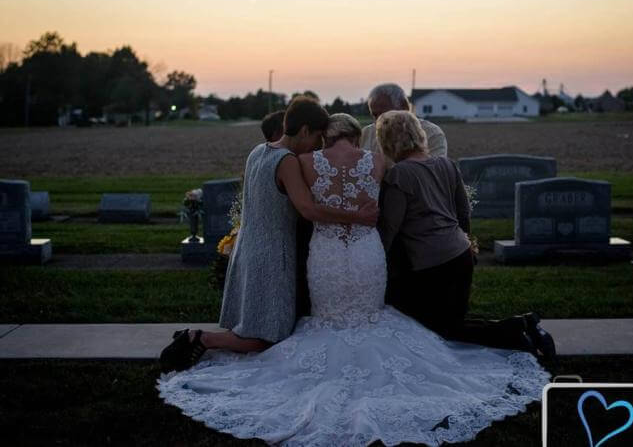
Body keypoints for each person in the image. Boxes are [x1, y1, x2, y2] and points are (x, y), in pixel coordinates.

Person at [158, 112, 550, 446]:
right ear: (355, 134)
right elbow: (397, 201)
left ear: (325, 134)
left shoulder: (306, 162)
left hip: (327, 254)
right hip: (366, 253)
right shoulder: (378, 163)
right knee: (369, 318)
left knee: (330, 320)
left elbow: (305, 210)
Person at [159, 97, 378, 371]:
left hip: (249, 247)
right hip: (273, 255)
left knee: (255, 325)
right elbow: (308, 209)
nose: (318, 147)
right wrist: (357, 216)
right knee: (269, 338)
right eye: (318, 138)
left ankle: (204, 338)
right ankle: (202, 338)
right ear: (305, 130)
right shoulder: (287, 161)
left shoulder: (258, 151)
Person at [376, 110, 556, 358]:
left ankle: (518, 333)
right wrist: (469, 245)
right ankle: (524, 325)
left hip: (430, 263)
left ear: (387, 141)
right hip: (459, 255)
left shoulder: (399, 174)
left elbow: (390, 227)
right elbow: (464, 212)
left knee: (443, 328)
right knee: (453, 321)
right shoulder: (447, 165)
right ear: (418, 134)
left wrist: (375, 261)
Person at [360, 83, 447, 162]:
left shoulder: (432, 133)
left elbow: (433, 172)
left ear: (404, 107)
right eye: (375, 115)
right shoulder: (366, 134)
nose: (379, 120)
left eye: (385, 114)